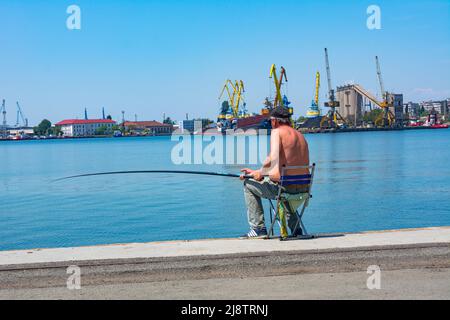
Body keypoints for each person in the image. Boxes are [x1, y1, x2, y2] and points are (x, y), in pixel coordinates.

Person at [240, 106, 310, 239]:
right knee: (283, 188)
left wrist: (259, 173)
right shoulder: (300, 135)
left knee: (248, 183)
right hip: (303, 189)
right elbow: (283, 167)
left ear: (274, 121)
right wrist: (260, 172)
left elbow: (272, 158)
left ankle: (258, 228)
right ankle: (296, 229)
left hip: (285, 190)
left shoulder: (277, 132)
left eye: (270, 121)